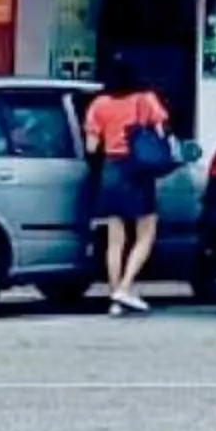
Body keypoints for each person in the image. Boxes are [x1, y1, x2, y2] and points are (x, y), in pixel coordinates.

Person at [81, 58, 173, 315]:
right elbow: (163, 131)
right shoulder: (145, 99)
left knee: (115, 240)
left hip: (111, 170)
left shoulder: (99, 104)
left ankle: (115, 299)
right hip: (138, 171)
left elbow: (91, 147)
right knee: (146, 233)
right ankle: (125, 286)